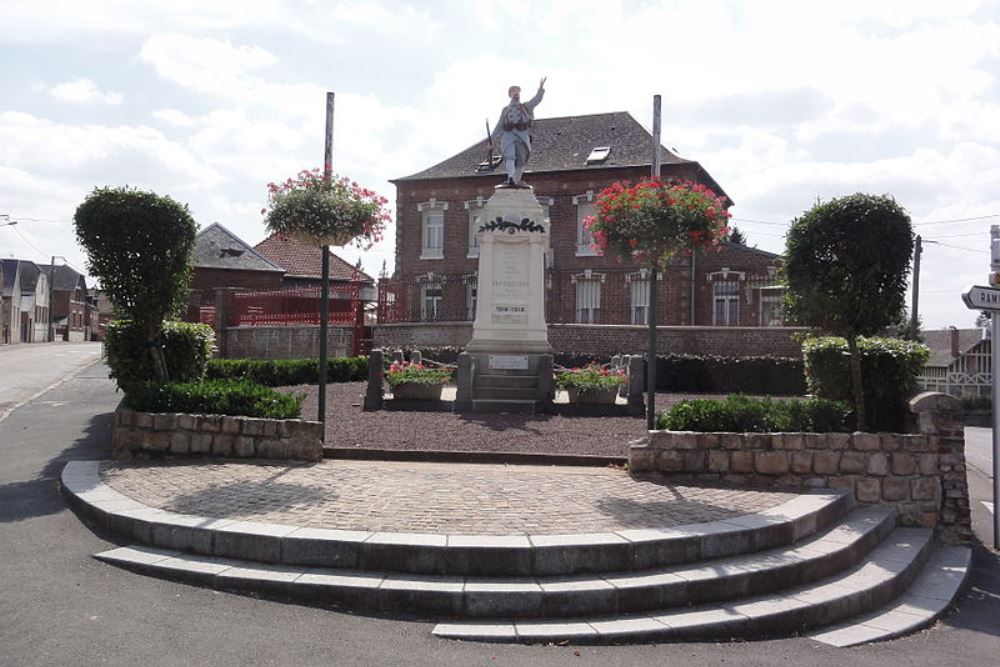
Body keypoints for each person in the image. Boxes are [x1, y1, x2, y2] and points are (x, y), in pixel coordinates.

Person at [492, 77, 546, 187]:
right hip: (508, 136)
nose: (516, 93)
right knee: (509, 156)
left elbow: (536, 100)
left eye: (517, 91)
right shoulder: (506, 110)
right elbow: (499, 125)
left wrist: (540, 88)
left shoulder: (525, 106)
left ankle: (517, 180)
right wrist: (491, 139)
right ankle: (510, 177)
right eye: (513, 91)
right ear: (510, 94)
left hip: (522, 136)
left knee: (521, 159)